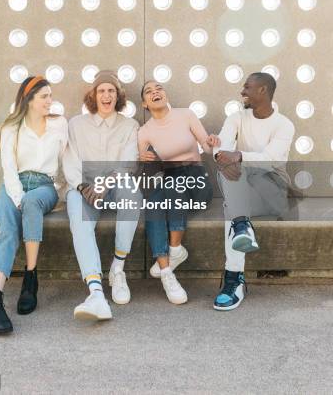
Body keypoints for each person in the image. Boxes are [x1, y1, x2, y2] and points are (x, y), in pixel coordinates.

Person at [0, 75, 68, 334]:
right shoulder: (11, 127)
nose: (50, 101)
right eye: (44, 96)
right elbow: (8, 169)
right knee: (8, 234)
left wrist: (65, 192)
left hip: (45, 187)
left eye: (50, 96)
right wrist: (17, 197)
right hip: (14, 185)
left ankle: (30, 278)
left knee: (33, 202)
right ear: (28, 99)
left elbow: (67, 160)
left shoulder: (59, 124)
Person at [212, 72, 295, 311]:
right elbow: (222, 147)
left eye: (247, 87)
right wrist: (221, 156)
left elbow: (271, 159)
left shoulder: (283, 124)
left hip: (273, 192)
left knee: (235, 189)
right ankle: (241, 233)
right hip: (245, 190)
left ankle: (233, 280)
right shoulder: (236, 117)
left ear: (263, 91)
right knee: (231, 186)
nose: (242, 92)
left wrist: (237, 156)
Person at [63, 70, 140, 321]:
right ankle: (95, 292)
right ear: (93, 96)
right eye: (101, 91)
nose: (106, 95)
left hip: (114, 186)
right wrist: (82, 187)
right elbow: (70, 159)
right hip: (83, 188)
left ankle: (118, 268)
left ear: (118, 96)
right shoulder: (76, 124)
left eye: (111, 91)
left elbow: (128, 163)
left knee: (133, 194)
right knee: (79, 219)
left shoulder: (130, 126)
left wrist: (105, 184)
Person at [138, 80, 220, 304]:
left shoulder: (186, 115)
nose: (155, 92)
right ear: (145, 104)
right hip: (171, 182)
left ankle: (175, 250)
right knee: (154, 201)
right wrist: (143, 158)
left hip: (197, 182)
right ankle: (167, 272)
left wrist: (212, 141)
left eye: (158, 88)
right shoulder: (144, 132)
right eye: (149, 92)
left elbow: (208, 144)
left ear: (165, 94)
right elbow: (149, 170)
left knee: (168, 188)